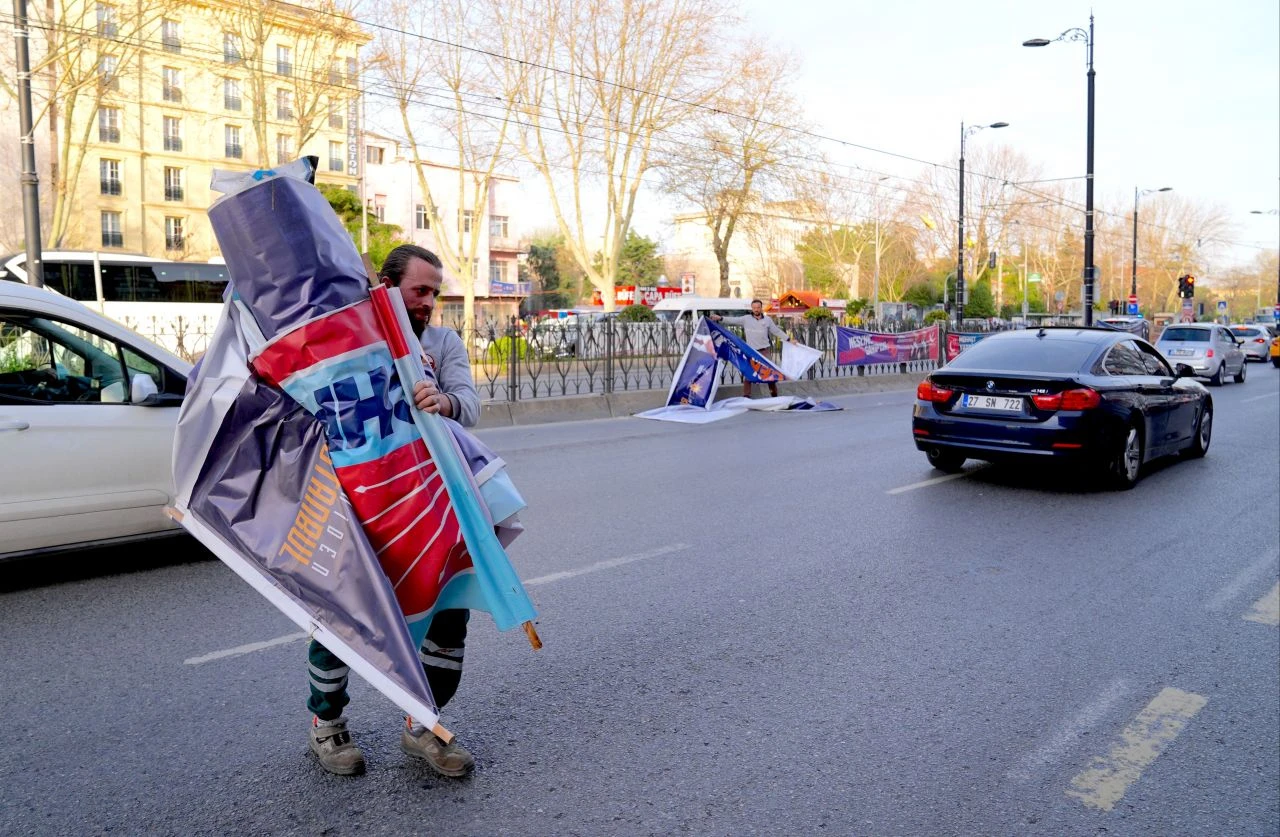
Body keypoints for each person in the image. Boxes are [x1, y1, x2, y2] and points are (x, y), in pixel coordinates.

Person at [307, 244, 481, 778]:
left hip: (436, 501)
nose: (429, 302)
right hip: (365, 504)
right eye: (419, 291)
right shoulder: (354, 340)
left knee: (449, 613)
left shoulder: (443, 342)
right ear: (388, 285)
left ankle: (423, 725)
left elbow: (469, 406)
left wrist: (443, 402)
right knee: (347, 612)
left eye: (435, 292)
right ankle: (327, 725)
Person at [710, 299, 795, 398]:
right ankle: (746, 396)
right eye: (754, 308)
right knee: (748, 373)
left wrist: (789, 339)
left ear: (761, 308)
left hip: (764, 351)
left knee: (770, 373)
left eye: (758, 307)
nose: (756, 309)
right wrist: (720, 318)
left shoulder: (767, 320)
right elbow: (732, 320)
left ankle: (774, 395)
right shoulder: (746, 319)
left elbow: (776, 331)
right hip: (751, 352)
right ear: (752, 308)